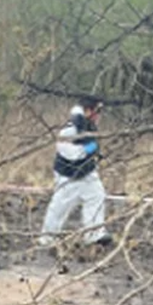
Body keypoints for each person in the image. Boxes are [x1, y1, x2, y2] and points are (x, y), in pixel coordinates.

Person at [38, 97, 113, 247]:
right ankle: (47, 238)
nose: (99, 116)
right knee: (60, 206)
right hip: (68, 175)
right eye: (97, 112)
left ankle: (94, 234)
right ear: (87, 111)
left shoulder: (88, 127)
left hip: (87, 172)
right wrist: (90, 149)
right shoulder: (70, 129)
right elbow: (70, 153)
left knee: (96, 195)